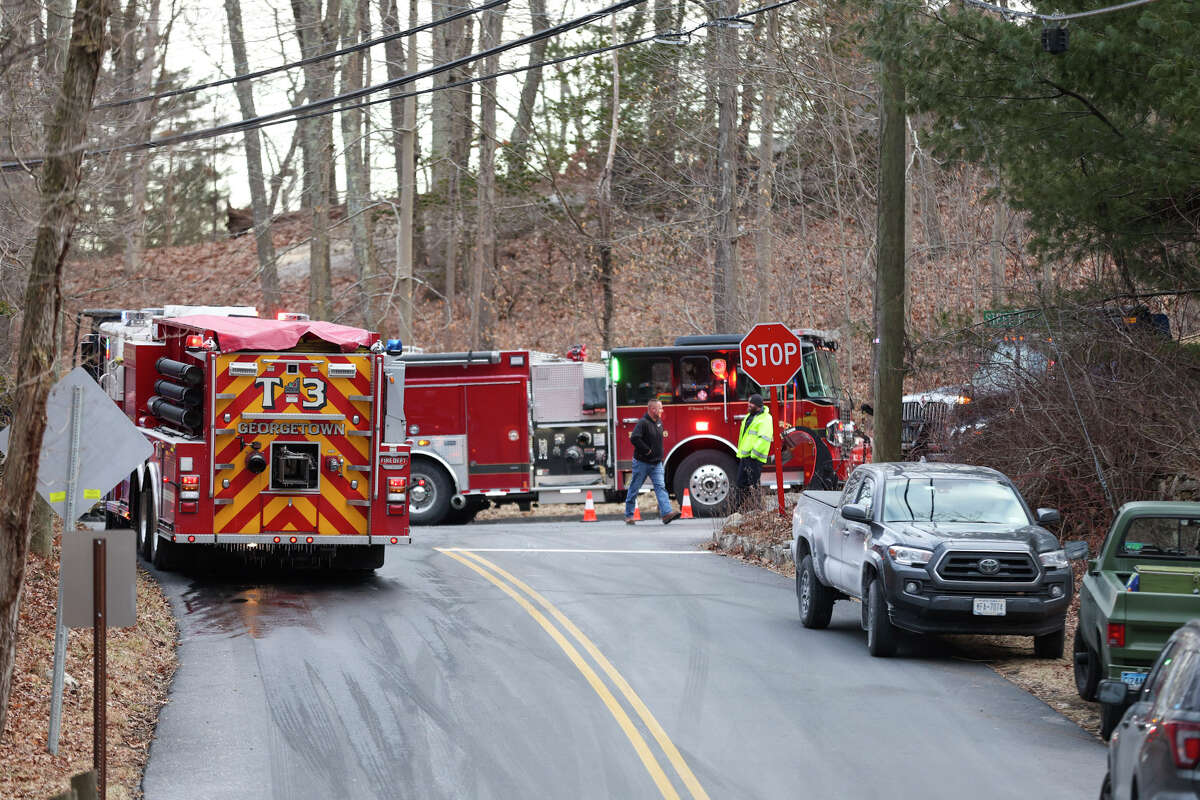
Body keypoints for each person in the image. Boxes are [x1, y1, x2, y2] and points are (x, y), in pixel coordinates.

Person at [625, 399, 682, 525]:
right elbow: (634, 438)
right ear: (652, 409)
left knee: (661, 487)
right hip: (642, 463)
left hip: (656, 463)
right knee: (635, 487)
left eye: (661, 408)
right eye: (659, 408)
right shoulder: (643, 423)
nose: (662, 410)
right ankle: (629, 515)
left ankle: (666, 514)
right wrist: (647, 451)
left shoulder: (659, 422)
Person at [734, 393, 774, 511]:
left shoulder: (766, 419)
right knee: (741, 484)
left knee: (753, 485)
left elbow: (764, 439)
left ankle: (757, 510)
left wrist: (754, 455)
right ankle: (737, 509)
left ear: (758, 405)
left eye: (751, 403)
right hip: (746, 457)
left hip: (754, 458)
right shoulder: (750, 416)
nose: (748, 405)